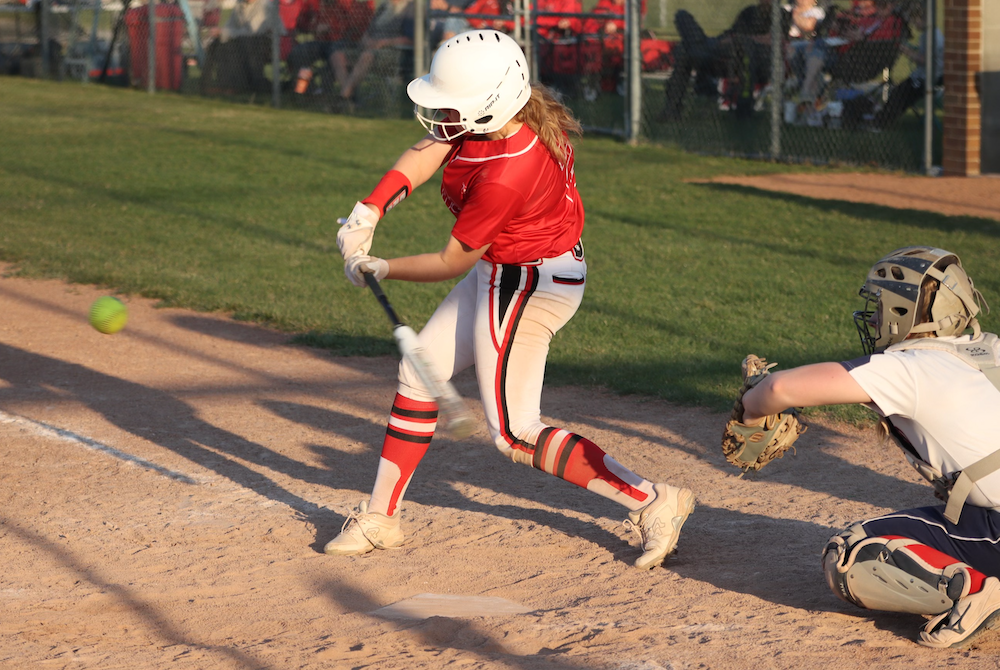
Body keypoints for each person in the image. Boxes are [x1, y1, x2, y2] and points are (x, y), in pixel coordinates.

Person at [325, 29, 695, 570]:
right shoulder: (506, 115)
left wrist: (381, 266)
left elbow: (454, 260)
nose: (441, 117)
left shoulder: (508, 170)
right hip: (511, 266)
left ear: (488, 106)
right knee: (419, 372)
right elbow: (431, 149)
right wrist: (369, 210)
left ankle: (653, 502)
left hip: (527, 282)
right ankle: (381, 517)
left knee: (514, 431)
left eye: (453, 107)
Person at [740, 246, 1000, 648]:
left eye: (881, 305)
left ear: (904, 311)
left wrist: (749, 413)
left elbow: (778, 387)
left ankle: (979, 591)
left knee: (850, 555)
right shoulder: (990, 347)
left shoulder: (909, 366)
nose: (875, 316)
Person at [661, 0, 791, 120]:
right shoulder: (750, 12)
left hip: (755, 62)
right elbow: (732, 32)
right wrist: (727, 39)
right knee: (682, 18)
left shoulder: (782, 15)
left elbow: (775, 39)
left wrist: (742, 39)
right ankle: (673, 108)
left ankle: (698, 51)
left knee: (741, 45)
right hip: (724, 55)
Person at [796, 0, 905, 102]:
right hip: (842, 52)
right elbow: (855, 30)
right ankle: (811, 95)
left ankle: (809, 91)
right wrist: (842, 30)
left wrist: (861, 39)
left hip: (856, 63)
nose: (879, 10)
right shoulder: (871, 19)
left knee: (815, 48)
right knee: (797, 49)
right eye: (877, 5)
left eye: (883, 6)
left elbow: (884, 41)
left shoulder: (893, 22)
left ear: (893, 6)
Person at [871, 2, 943, 129]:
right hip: (922, 76)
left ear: (923, 19)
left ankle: (879, 123)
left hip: (927, 79)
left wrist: (904, 50)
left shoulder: (931, 36)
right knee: (897, 92)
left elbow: (924, 60)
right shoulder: (928, 34)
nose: (914, 25)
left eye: (915, 21)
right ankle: (879, 119)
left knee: (900, 95)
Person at [333, 0, 414, 105]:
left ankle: (343, 97)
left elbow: (411, 40)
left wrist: (383, 43)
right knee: (337, 55)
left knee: (367, 56)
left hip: (394, 53)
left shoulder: (411, 8)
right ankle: (349, 97)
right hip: (370, 48)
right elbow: (369, 31)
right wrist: (366, 40)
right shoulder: (384, 7)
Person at [285, 0, 374, 95]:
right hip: (321, 42)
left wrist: (333, 27)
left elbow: (357, 25)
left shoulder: (347, 3)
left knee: (334, 56)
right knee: (299, 53)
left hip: (342, 42)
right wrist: (314, 27)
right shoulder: (313, 3)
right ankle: (306, 90)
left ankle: (333, 94)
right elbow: (301, 22)